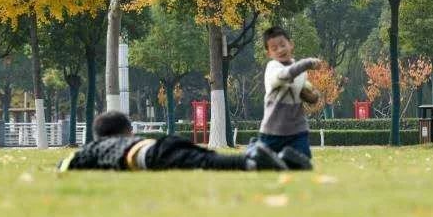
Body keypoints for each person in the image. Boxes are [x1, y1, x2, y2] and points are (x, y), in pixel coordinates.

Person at [57, 111, 310, 172]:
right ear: (127, 131)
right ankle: (278, 159)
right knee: (207, 156)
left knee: (206, 162)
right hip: (160, 144)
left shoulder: (94, 148)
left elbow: (67, 163)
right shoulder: (130, 140)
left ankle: (253, 161)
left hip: (148, 157)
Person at [255, 26, 321, 165]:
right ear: (269, 53)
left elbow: (306, 93)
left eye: (283, 45)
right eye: (274, 48)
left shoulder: (301, 72)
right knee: (261, 162)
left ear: (291, 44)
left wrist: (313, 96)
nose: (280, 50)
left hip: (297, 131)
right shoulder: (272, 68)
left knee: (302, 162)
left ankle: (283, 158)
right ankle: (254, 147)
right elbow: (285, 75)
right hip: (272, 131)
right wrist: (307, 63)